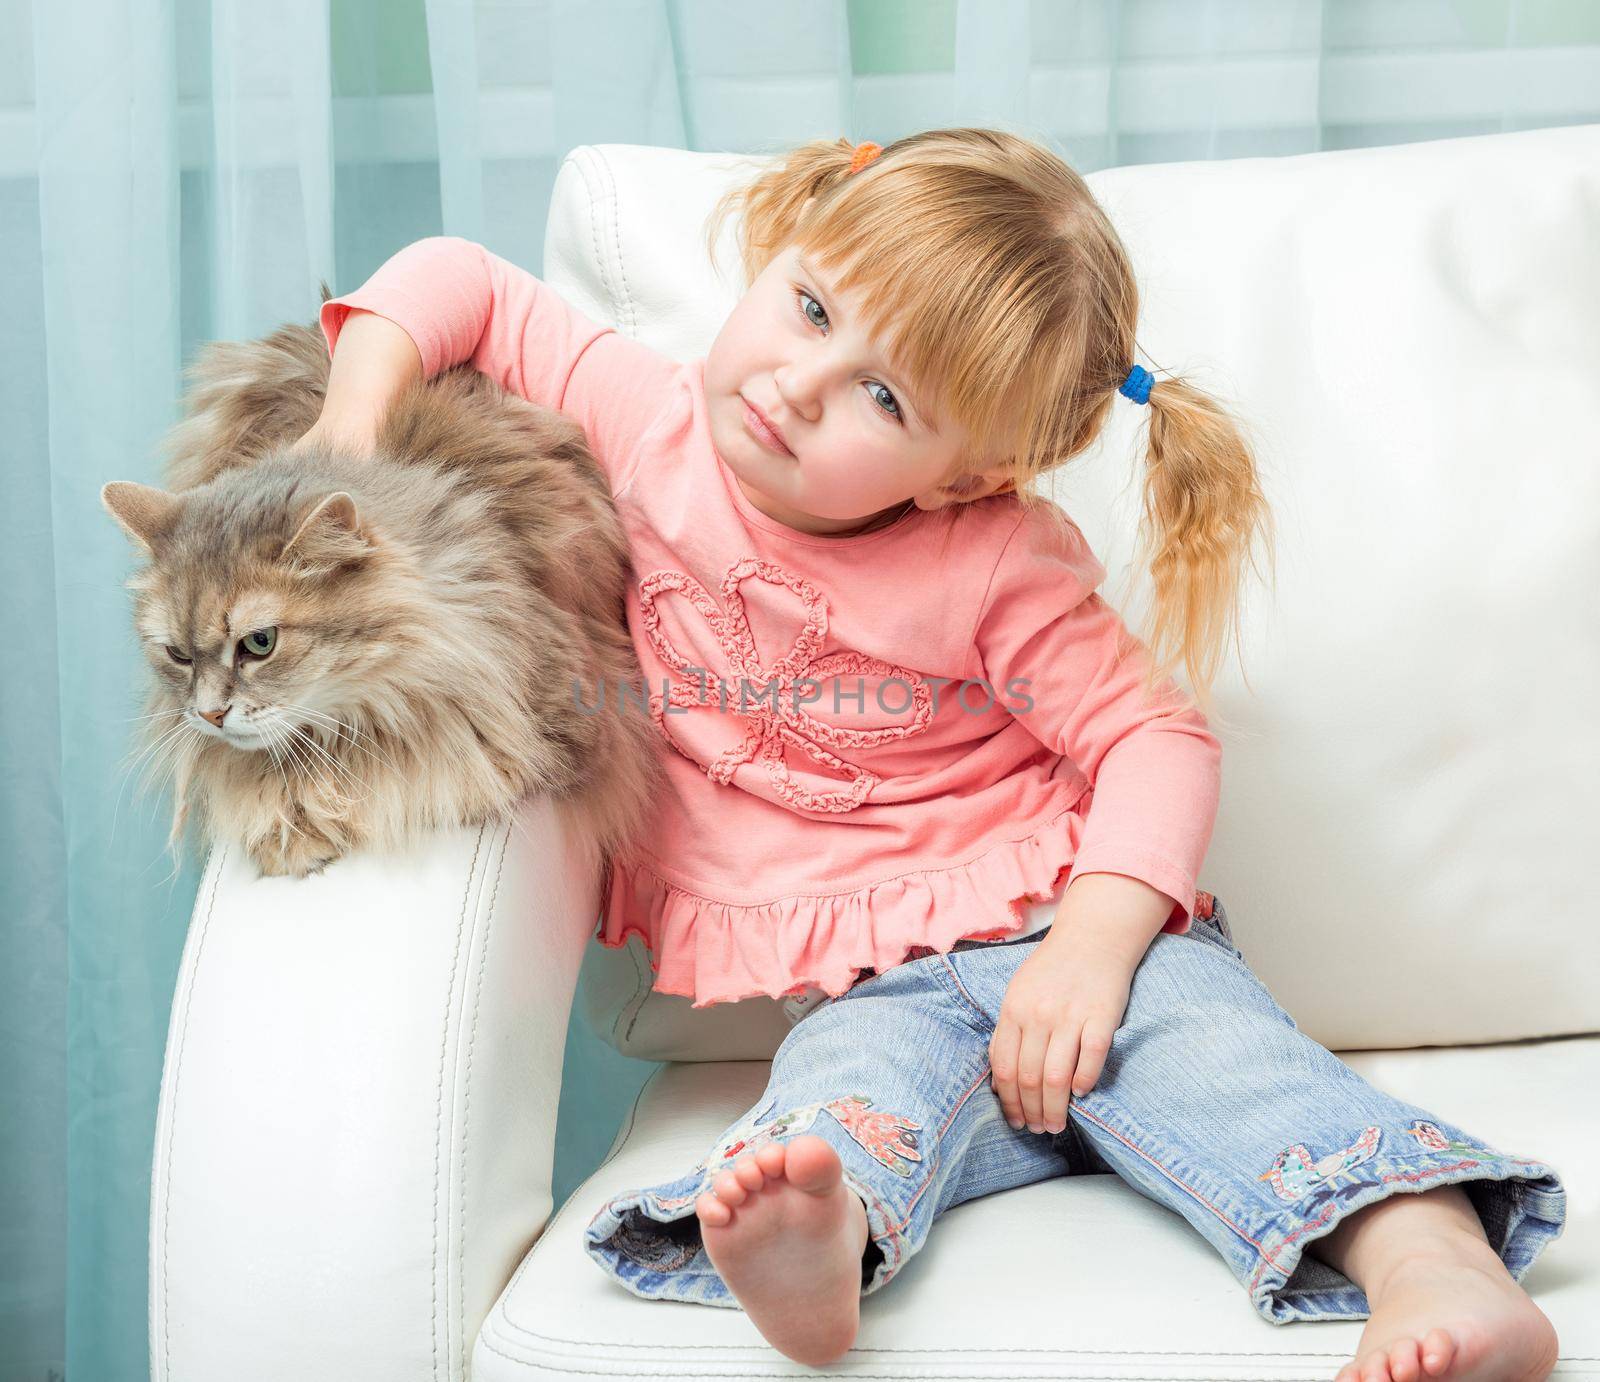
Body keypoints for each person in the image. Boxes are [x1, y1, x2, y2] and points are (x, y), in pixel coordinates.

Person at [296, 129, 1566, 1379]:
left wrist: (1089, 949)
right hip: (870, 988)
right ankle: (820, 1248)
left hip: (1073, 943)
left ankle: (1437, 1265)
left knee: (1232, 1074)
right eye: (807, 308)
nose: (798, 382)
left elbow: (1154, 738)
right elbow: (454, 279)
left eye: (884, 395)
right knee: (835, 1109)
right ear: (785, 251)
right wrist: (353, 424)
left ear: (968, 477)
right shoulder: (649, 422)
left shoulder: (984, 560)